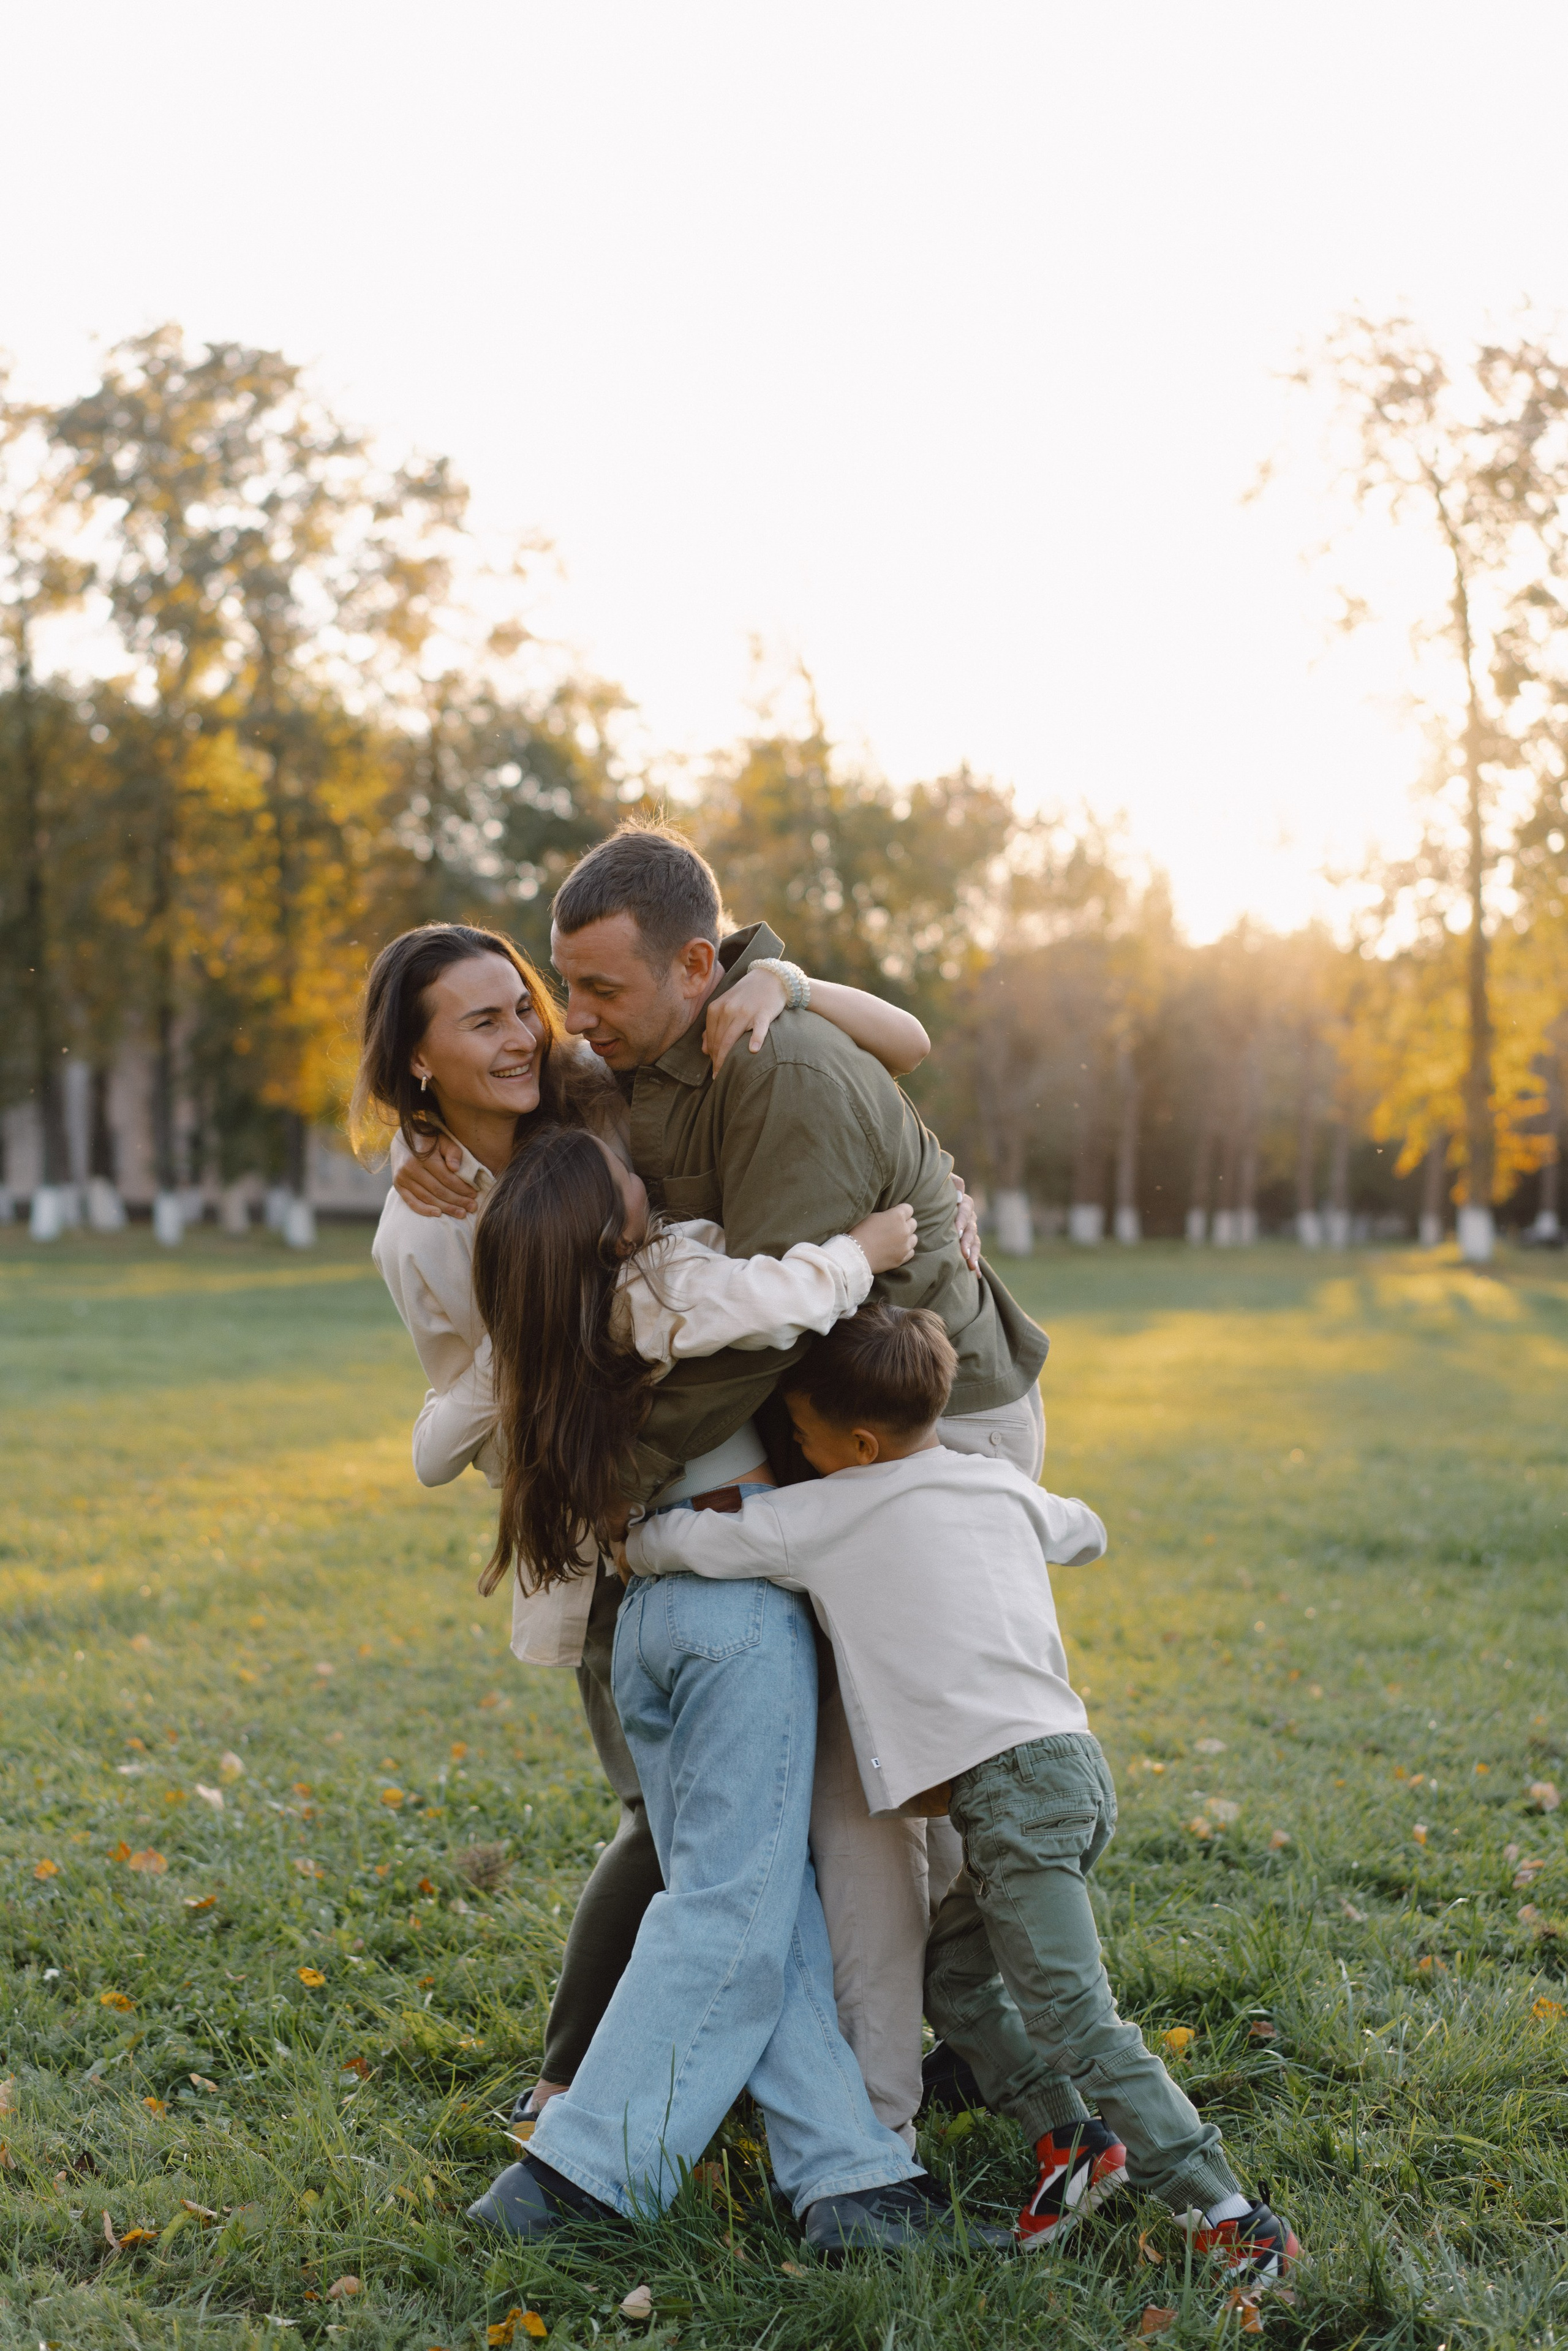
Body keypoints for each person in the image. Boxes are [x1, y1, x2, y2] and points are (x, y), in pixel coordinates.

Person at [395, 831, 1036, 2150]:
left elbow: (773, 1323)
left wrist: (785, 980)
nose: (558, 1025)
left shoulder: (701, 1069)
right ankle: (638, 2071)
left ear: (695, 968)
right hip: (716, 1470)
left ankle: (962, 2041)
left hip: (891, 1430)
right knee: (730, 1797)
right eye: (535, 997)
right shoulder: (546, 1122)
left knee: (914, 1760)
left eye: (570, 994)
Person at [622, 1303, 1302, 2288]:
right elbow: (1089, 1531)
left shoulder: (828, 1509)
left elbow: (698, 1544)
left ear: (855, 1444)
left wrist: (631, 1544)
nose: (797, 1452)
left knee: (1075, 2012)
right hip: (1069, 1770)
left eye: (804, 1436)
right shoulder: (996, 1486)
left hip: (1013, 1798)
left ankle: (1231, 2211)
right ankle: (1072, 2138)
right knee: (954, 1969)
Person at [464, 1122, 992, 2249]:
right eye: (629, 1179)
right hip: (732, 1616)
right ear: (615, 1229)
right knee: (735, 1909)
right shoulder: (671, 1285)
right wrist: (870, 1245)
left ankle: (848, 2181)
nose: (648, 1175)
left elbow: (433, 1443)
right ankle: (576, 2176)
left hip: (647, 1619)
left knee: (767, 1898)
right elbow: (772, 1301)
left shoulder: (547, 1334)